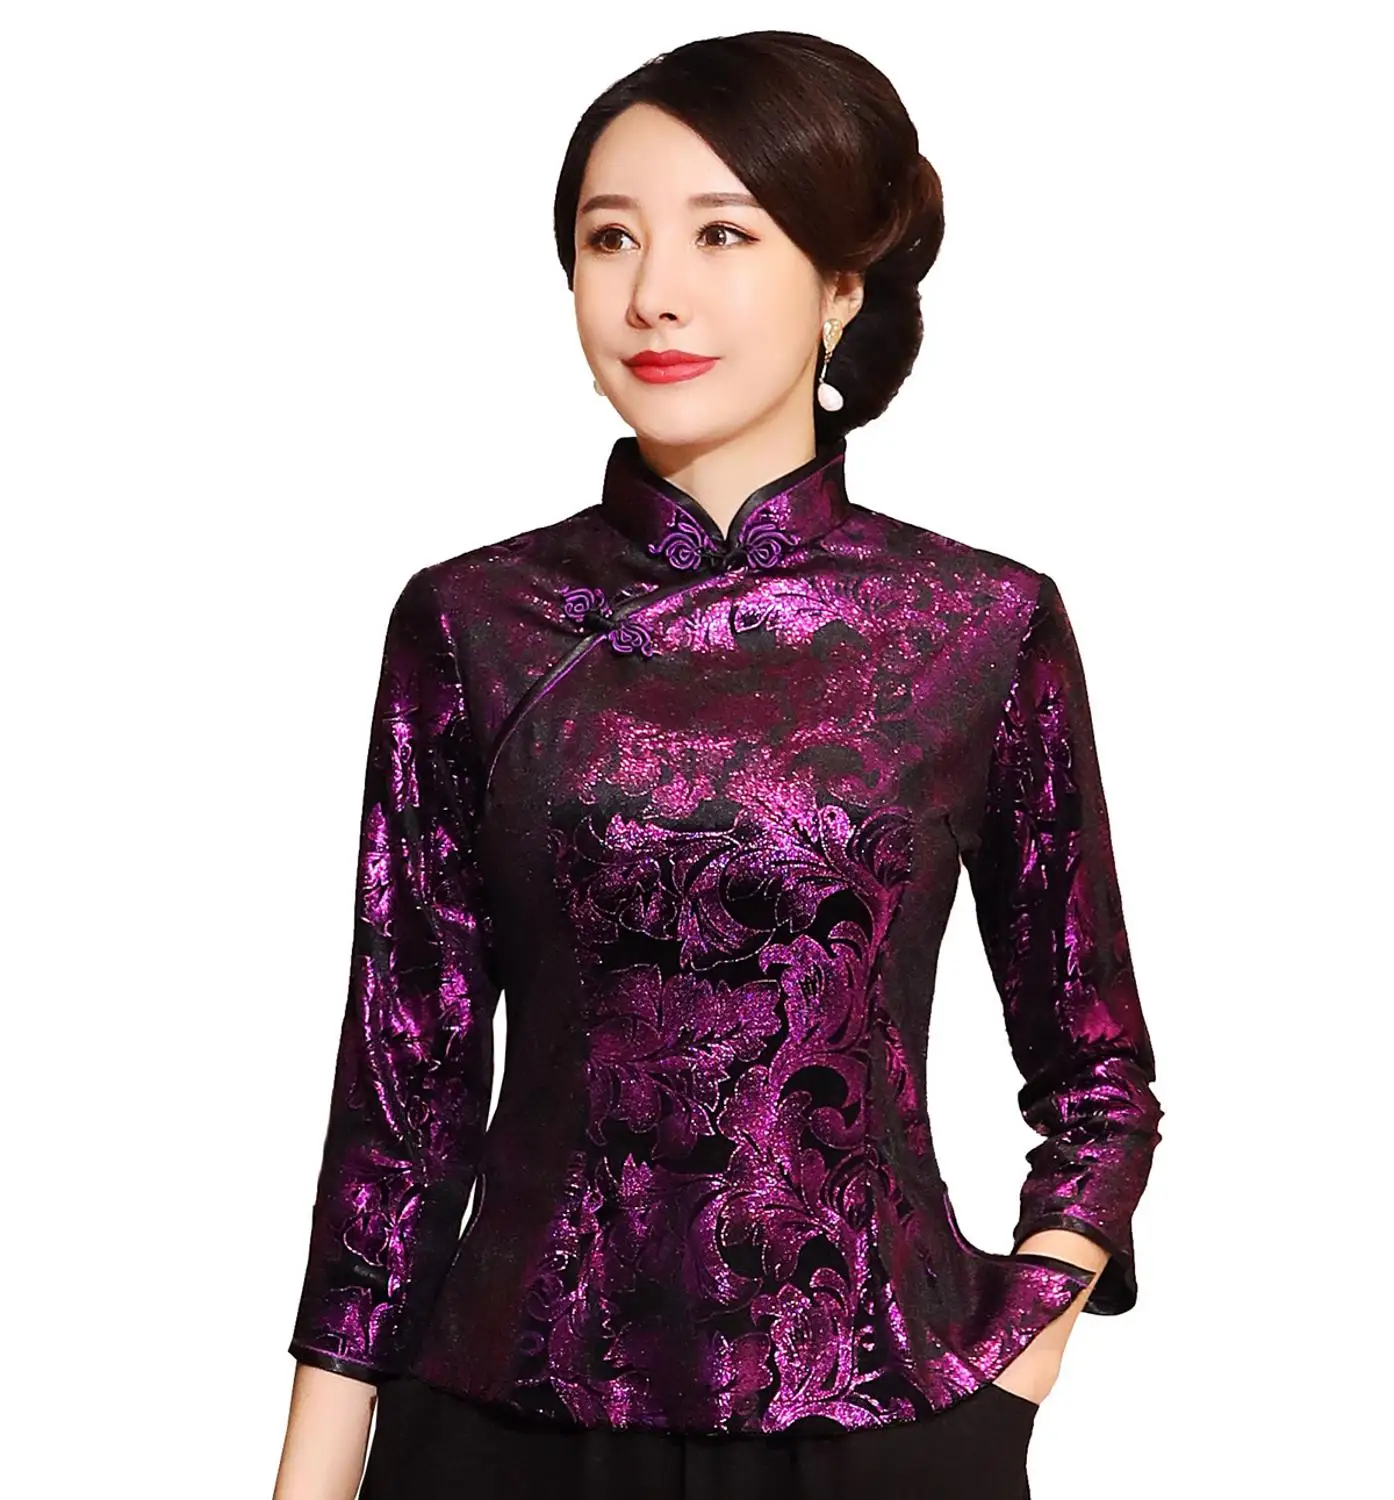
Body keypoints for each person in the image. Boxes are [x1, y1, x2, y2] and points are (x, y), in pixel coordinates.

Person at [272, 30, 1164, 1500]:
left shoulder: (978, 624)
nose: (652, 294)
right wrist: (315, 1465)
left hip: (880, 1422)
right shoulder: (473, 621)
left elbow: (1096, 1067)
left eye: (723, 235)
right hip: (508, 1429)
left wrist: (1026, 1333)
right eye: (608, 238)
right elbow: (401, 1084)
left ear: (841, 288)